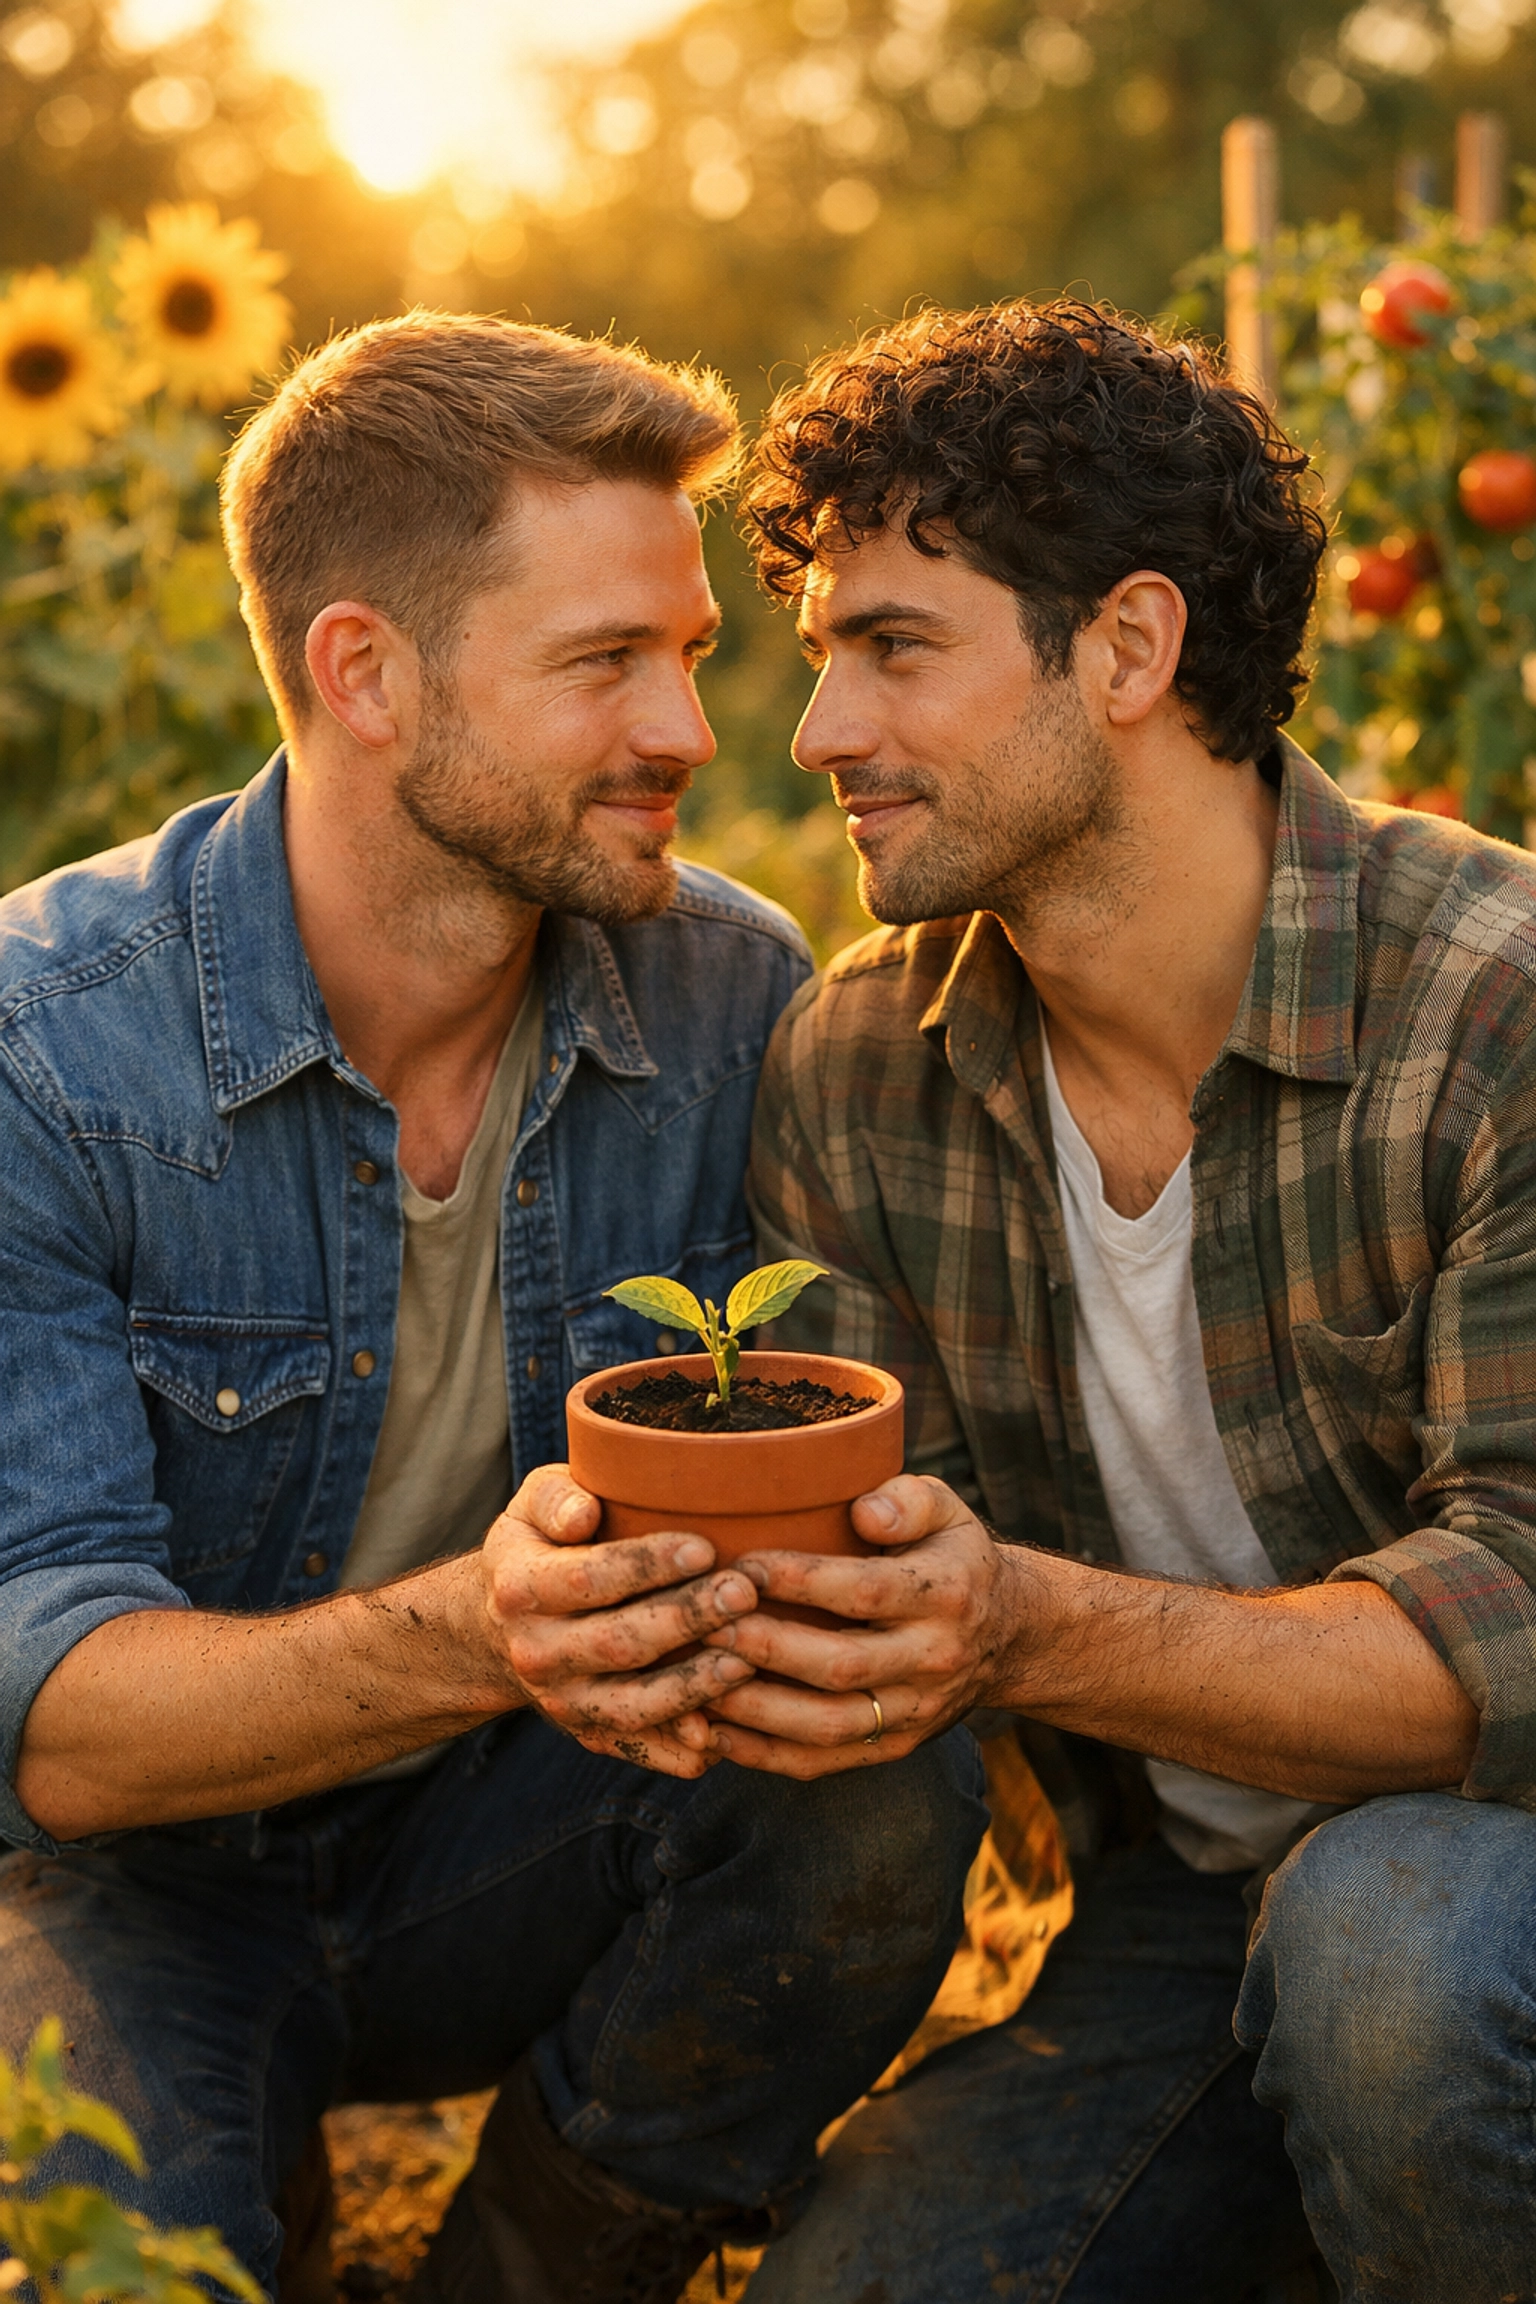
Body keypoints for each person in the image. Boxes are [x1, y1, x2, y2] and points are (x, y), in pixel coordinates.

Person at [519, 300, 1536, 2301]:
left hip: (1484, 1863)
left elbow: (1519, 1627)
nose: (815, 739)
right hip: (1185, 1905)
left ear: (1133, 652)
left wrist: (1009, 1620)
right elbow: (889, 1586)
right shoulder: (866, 1070)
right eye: (821, 660)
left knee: (1393, 1958)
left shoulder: (1491, 1015)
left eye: (896, 649)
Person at [0, 314, 986, 2304]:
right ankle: (233, 2178)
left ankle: (547, 2257)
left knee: (872, 1788)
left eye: (691, 654)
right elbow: (58, 1731)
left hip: (501, 1838)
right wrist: (479, 1635)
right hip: (132, 1885)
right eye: (605, 662)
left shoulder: (718, 993)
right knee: (130, 2262)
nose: (695, 735)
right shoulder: (49, 1055)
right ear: (366, 671)